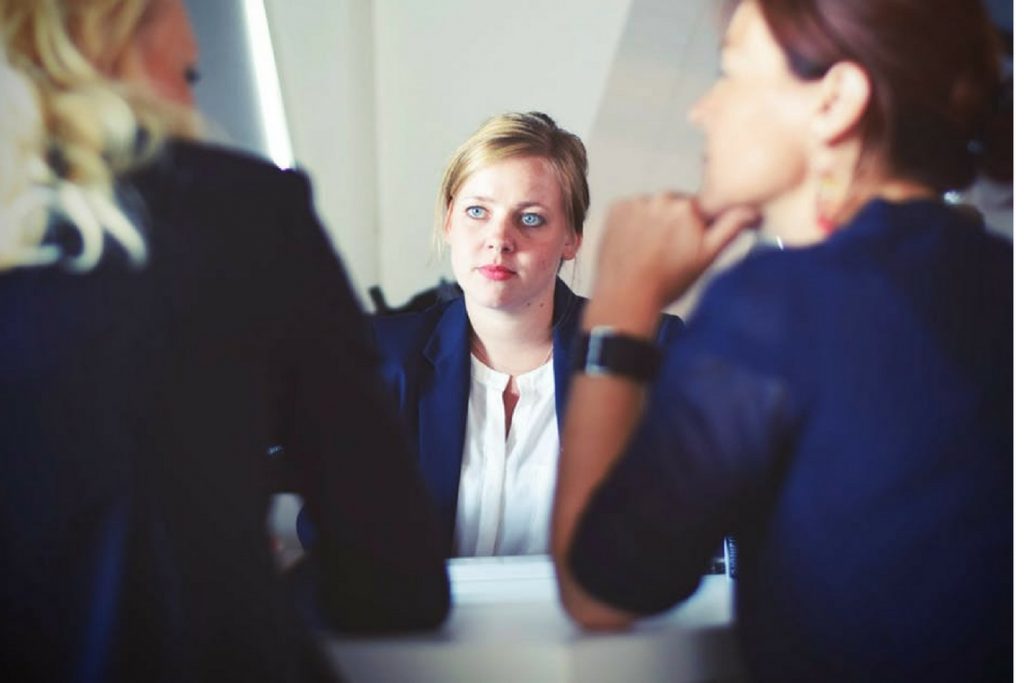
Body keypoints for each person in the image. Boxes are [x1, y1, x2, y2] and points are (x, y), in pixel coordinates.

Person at [552, 0, 1010, 681]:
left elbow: (600, 589)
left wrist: (622, 299)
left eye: (730, 72)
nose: (702, 110)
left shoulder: (778, 303)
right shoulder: (1000, 279)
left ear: (835, 101)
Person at [0, 1, 449, 681]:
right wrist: (239, 570)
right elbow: (394, 578)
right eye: (192, 72)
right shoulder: (244, 215)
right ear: (117, 28)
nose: (190, 94)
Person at [371, 112, 684, 556]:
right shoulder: (381, 358)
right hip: (423, 624)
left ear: (572, 238)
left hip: (590, 624)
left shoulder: (649, 351)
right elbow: (331, 539)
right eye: (477, 212)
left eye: (531, 219)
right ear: (448, 222)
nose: (499, 239)